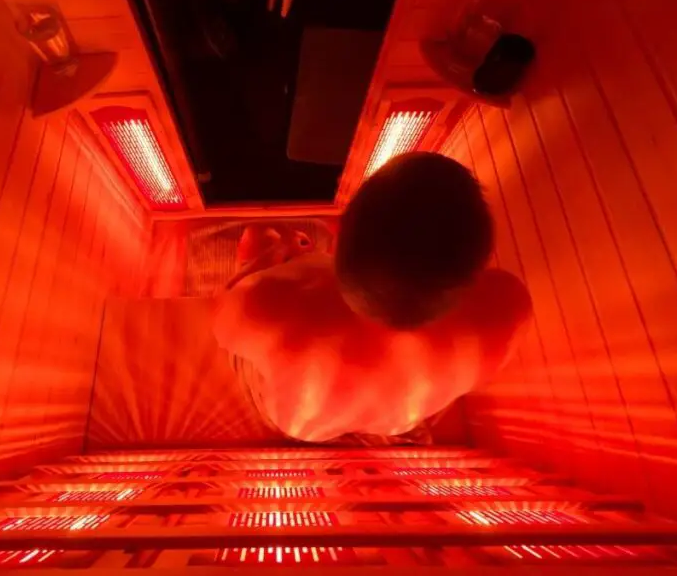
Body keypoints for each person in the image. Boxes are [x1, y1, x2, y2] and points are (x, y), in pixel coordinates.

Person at [213, 152, 532, 443]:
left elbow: (222, 328)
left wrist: (274, 254)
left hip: (306, 425)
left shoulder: (266, 300)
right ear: (475, 267)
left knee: (258, 238)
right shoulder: (507, 307)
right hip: (397, 420)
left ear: (337, 233)